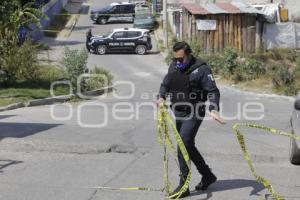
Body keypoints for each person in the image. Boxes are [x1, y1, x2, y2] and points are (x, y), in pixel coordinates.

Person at [157, 42, 225, 199]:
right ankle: (207, 175)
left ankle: (184, 185)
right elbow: (165, 84)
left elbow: (213, 91)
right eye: (176, 59)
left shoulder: (202, 69)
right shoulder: (174, 65)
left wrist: (213, 109)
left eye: (181, 59)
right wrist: (161, 97)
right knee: (187, 145)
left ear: (189, 54)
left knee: (183, 144)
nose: (178, 62)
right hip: (179, 111)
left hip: (195, 111)